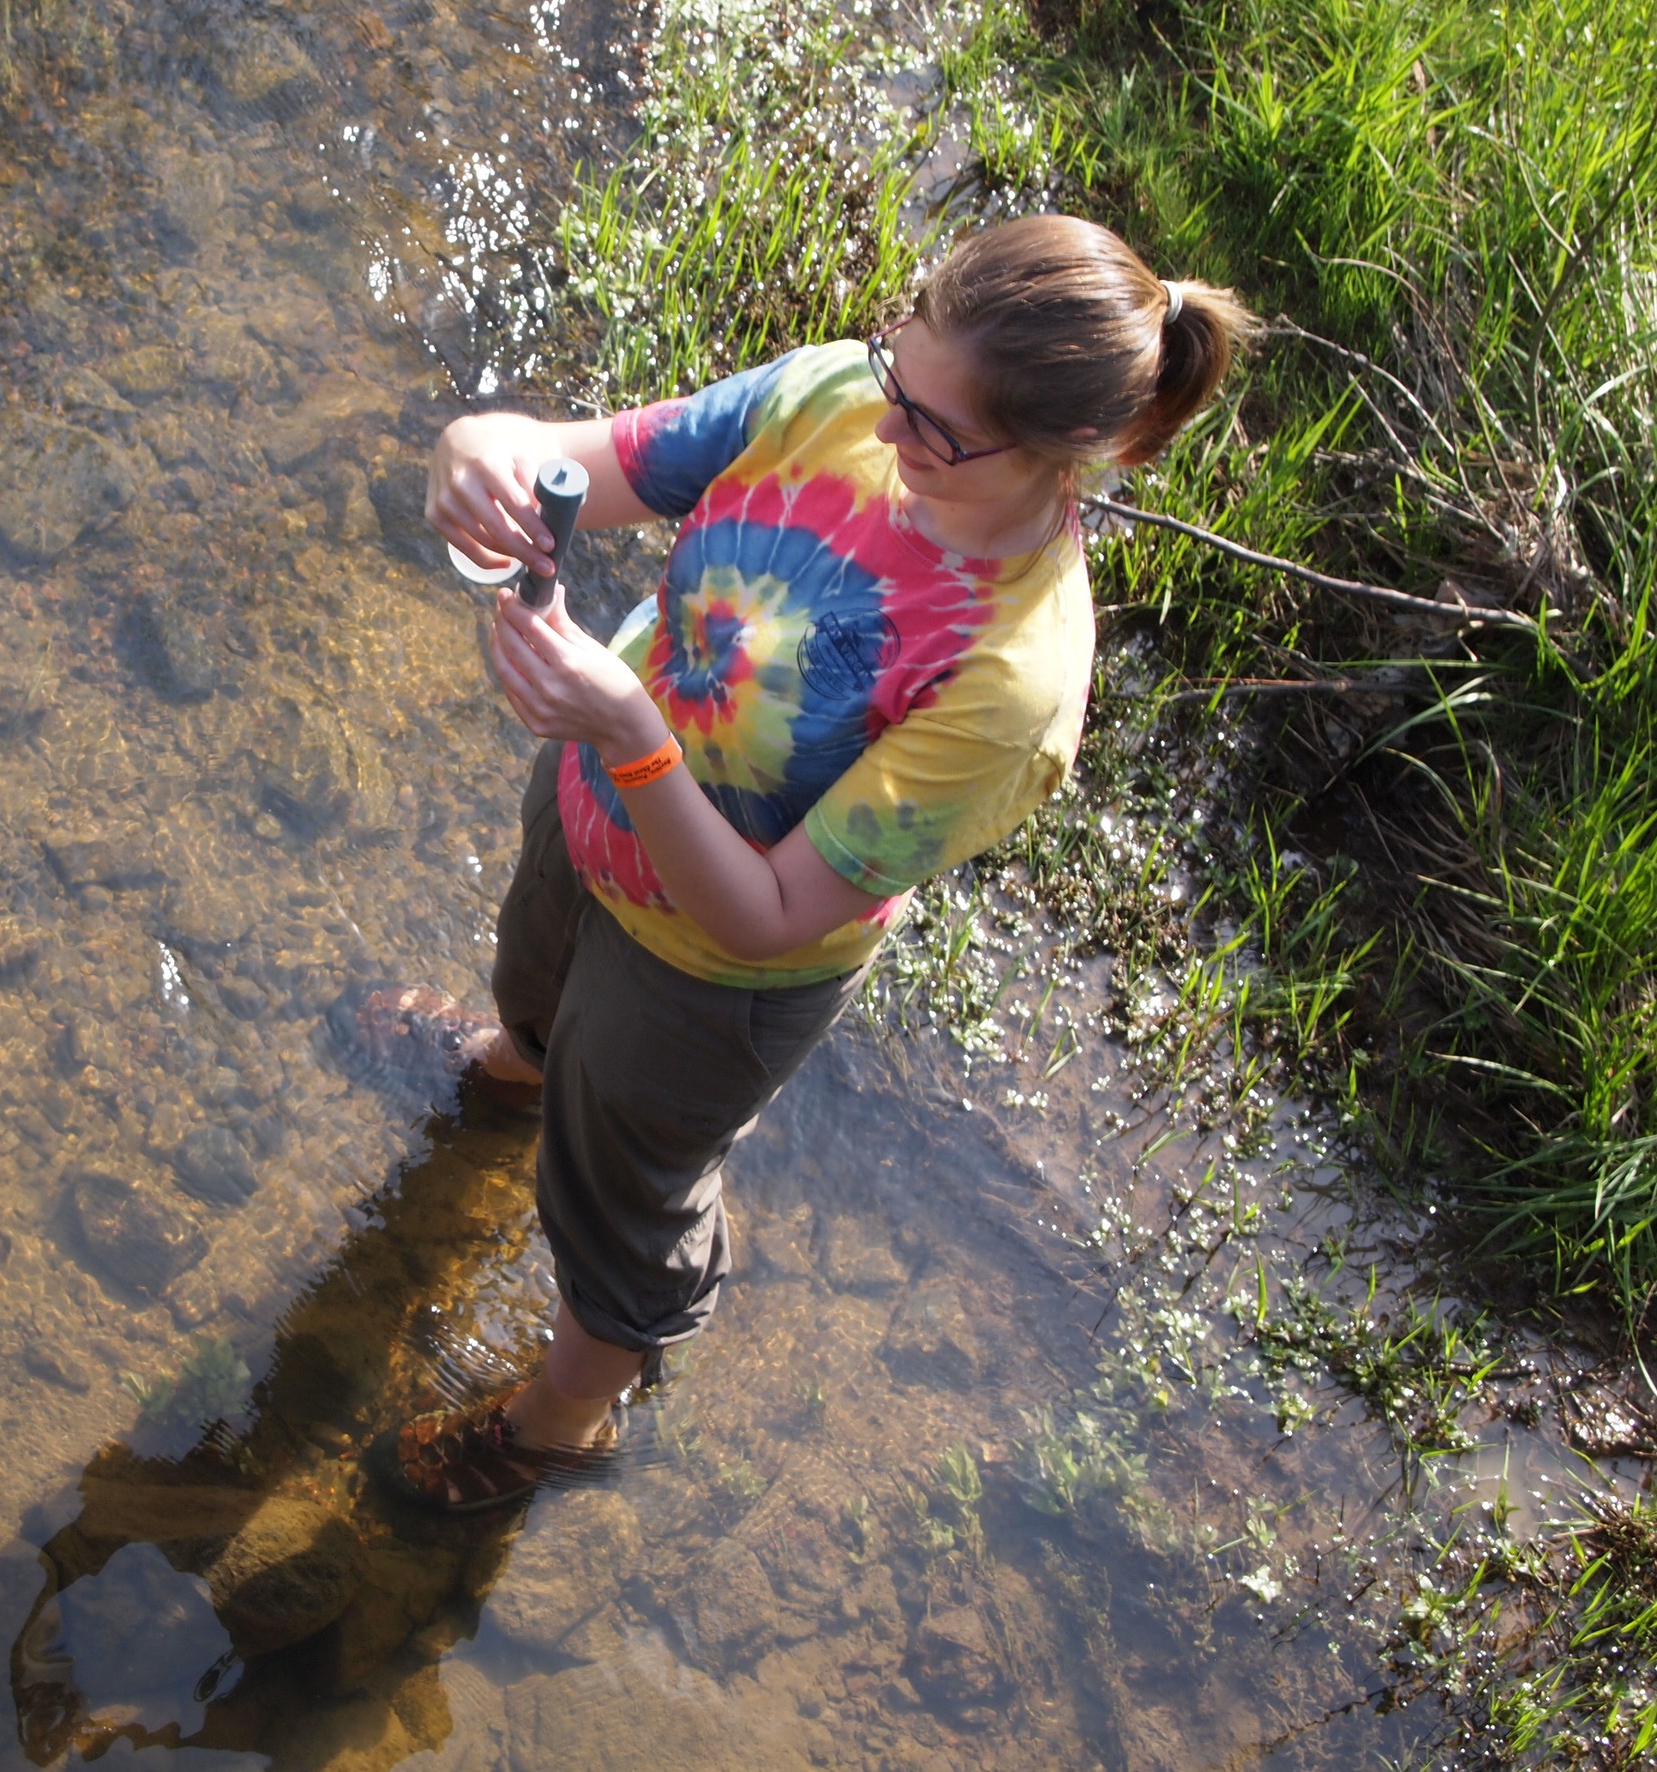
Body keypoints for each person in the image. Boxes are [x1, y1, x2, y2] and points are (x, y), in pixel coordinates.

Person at [387, 213, 1258, 1510]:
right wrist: (478, 453)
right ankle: (517, 1068)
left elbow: (770, 915)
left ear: (1078, 452)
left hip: (707, 973)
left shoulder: (1012, 681)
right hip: (591, 812)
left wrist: (628, 732)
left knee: (630, 1203)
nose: (888, 429)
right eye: (897, 371)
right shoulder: (845, 393)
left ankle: (557, 1424)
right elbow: (579, 458)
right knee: (536, 974)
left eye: (937, 431)